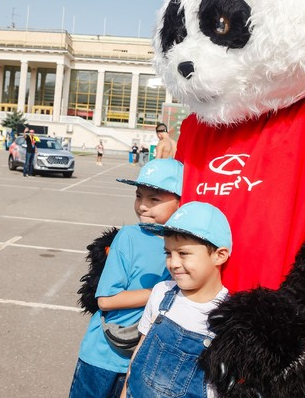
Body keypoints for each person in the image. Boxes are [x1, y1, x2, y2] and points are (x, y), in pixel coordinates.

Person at [69, 159, 184, 398]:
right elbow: (106, 300)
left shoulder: (185, 243)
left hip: (143, 362)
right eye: (139, 196)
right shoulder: (129, 236)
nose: (142, 206)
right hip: (103, 356)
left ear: (181, 201)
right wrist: (162, 292)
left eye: (154, 199)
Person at [122, 201, 232, 398]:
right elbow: (139, 355)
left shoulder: (231, 317)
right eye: (168, 253)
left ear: (220, 255)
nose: (173, 263)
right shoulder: (160, 293)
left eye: (183, 253)